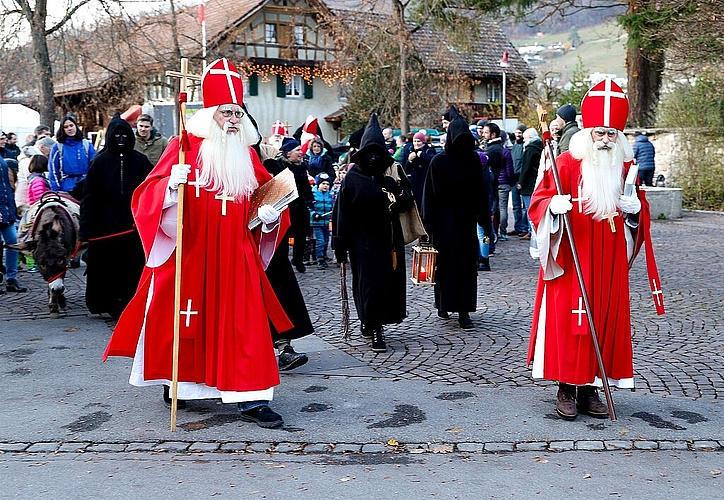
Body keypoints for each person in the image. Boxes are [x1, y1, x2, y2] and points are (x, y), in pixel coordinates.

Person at [103, 58, 292, 428]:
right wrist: (170, 188)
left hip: (237, 254)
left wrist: (270, 218)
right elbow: (146, 201)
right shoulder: (183, 149)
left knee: (245, 324)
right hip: (192, 254)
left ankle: (250, 397)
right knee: (186, 321)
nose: (234, 119)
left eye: (239, 112)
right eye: (227, 112)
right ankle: (183, 386)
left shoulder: (248, 154)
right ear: (210, 114)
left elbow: (269, 199)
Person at [527, 78, 662, 421]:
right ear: (588, 132)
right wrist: (552, 207)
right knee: (569, 321)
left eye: (611, 134)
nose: (604, 140)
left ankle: (589, 388)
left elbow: (639, 210)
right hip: (572, 255)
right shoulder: (568, 164)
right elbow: (539, 199)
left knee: (602, 320)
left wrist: (635, 212)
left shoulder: (626, 168)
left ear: (619, 137)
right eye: (600, 133)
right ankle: (565, 387)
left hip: (610, 260)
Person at [333, 114, 414, 352]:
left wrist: (397, 194)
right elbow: (342, 214)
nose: (373, 158)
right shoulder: (352, 180)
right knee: (368, 284)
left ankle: (377, 324)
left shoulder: (390, 178)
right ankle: (371, 323)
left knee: (385, 284)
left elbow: (407, 202)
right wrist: (340, 245)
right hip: (361, 241)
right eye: (369, 153)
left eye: (377, 154)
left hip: (387, 240)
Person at [78, 113, 154, 319]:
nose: (120, 139)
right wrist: (86, 227)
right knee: (106, 267)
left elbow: (151, 190)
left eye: (124, 135)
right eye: (117, 135)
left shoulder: (141, 161)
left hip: (132, 224)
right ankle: (107, 302)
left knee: (132, 265)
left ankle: (131, 302)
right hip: (104, 225)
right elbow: (89, 196)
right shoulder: (99, 162)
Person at [422, 115, 491, 330]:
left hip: (465, 222)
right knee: (443, 266)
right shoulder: (438, 162)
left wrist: (483, 219)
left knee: (465, 267)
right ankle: (443, 304)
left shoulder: (472, 160)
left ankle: (464, 311)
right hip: (443, 224)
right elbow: (430, 196)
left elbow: (481, 192)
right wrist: (427, 226)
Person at [276, 138, 313, 273]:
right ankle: (284, 261)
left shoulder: (302, 166)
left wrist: (310, 198)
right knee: (284, 235)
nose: (300, 152)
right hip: (286, 206)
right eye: (297, 150)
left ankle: (298, 260)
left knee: (301, 235)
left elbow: (305, 185)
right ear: (288, 153)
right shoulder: (280, 166)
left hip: (301, 205)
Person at [0, 152, 27, 293]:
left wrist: (11, 208)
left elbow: (7, 186)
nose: (3, 139)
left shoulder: (1, 159)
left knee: (13, 242)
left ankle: (12, 278)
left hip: (7, 209)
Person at [49, 115, 97, 193]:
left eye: (71, 125)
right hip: (66, 189)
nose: (70, 129)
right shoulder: (58, 147)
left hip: (86, 187)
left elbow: (95, 166)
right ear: (62, 129)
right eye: (66, 127)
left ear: (75, 126)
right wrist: (56, 189)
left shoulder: (86, 145)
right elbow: (53, 170)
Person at [517, 128, 544, 241]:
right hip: (535, 181)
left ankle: (531, 231)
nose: (524, 140)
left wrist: (521, 182)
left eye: (525, 138)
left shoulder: (530, 149)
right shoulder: (539, 147)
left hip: (528, 184)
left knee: (529, 208)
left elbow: (525, 167)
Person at [405, 130, 436, 209]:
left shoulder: (429, 150)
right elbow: (407, 169)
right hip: (414, 182)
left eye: (418, 141)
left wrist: (422, 155)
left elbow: (433, 160)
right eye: (414, 141)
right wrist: (410, 160)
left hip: (425, 181)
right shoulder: (411, 151)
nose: (416, 143)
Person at [310, 174, 334, 269]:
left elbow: (332, 207)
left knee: (326, 241)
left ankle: (323, 255)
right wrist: (314, 214)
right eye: (323, 183)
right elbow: (309, 207)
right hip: (316, 222)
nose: (325, 186)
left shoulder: (329, 195)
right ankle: (320, 259)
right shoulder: (313, 194)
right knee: (320, 241)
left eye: (327, 184)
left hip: (326, 222)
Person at [509, 123, 528, 236]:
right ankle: (518, 227)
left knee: (525, 206)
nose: (518, 135)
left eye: (520, 133)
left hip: (521, 180)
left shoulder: (525, 147)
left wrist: (521, 179)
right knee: (516, 206)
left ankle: (524, 228)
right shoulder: (514, 146)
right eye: (516, 133)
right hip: (514, 180)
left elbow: (524, 165)